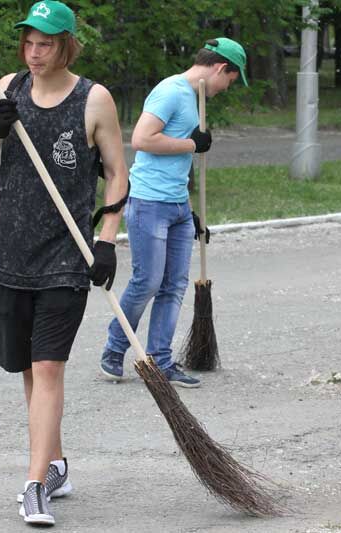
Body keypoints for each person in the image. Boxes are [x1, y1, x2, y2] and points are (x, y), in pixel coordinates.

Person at [0, 0, 128, 525]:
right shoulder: (8, 86)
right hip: (9, 254)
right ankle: (55, 463)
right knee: (30, 373)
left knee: (49, 366)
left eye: (46, 44)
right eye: (29, 43)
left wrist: (106, 240)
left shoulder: (93, 98)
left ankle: (34, 484)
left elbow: (117, 173)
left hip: (66, 256)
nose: (35, 53)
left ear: (67, 44)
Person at [99, 37, 248, 387]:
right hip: (149, 203)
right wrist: (192, 144)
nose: (228, 87)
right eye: (230, 79)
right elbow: (142, 139)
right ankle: (114, 348)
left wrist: (192, 210)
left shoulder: (196, 99)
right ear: (220, 68)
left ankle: (161, 361)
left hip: (177, 205)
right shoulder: (171, 91)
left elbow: (181, 161)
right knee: (147, 282)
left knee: (174, 286)